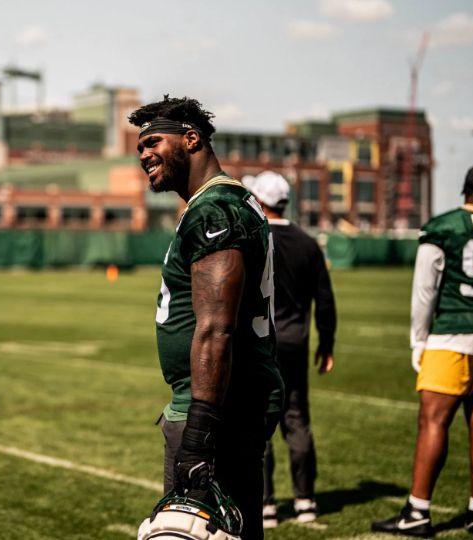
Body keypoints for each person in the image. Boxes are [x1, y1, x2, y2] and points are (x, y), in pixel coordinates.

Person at [130, 96, 284, 540]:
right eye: (140, 147)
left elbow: (217, 327)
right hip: (226, 402)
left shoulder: (214, 209)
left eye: (153, 142)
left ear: (191, 139)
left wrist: (198, 432)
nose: (144, 155)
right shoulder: (221, 203)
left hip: (221, 408)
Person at [372, 163, 473, 538]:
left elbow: (424, 290)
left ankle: (418, 510)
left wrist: (419, 339)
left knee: (433, 421)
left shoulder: (445, 225)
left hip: (453, 336)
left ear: (465, 189)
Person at [244, 171, 337, 528]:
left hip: (260, 342)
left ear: (261, 201)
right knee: (297, 420)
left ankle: (265, 504)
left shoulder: (254, 237)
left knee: (259, 424)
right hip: (297, 342)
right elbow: (325, 301)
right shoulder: (308, 243)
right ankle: (305, 501)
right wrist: (326, 343)